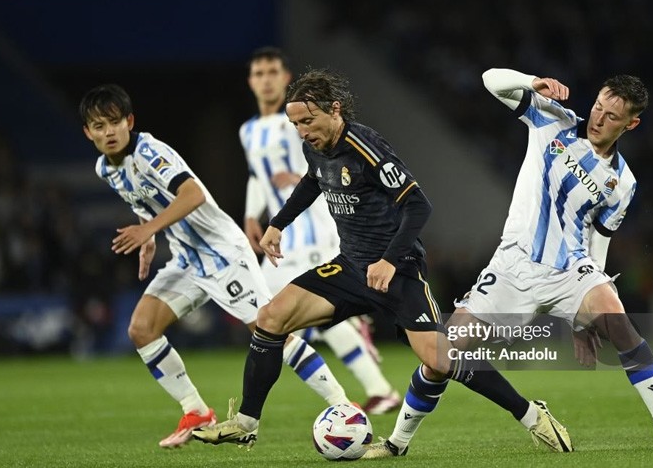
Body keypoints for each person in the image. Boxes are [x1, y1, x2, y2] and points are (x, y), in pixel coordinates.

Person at [192, 68, 571, 454]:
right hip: (350, 268)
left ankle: (530, 415)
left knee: (439, 361)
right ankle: (246, 423)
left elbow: (419, 204)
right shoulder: (316, 147)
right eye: (295, 124)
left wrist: (390, 260)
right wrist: (278, 224)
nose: (302, 132)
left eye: (308, 121)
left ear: (334, 110)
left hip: (399, 271)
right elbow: (313, 181)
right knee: (271, 319)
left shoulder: (365, 147)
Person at [79, 84, 353, 448]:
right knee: (142, 328)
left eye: (114, 122)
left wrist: (149, 228)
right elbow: (147, 201)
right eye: (98, 126)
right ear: (88, 132)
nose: (108, 132)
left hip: (223, 253)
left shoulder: (150, 152)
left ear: (129, 121)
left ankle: (343, 407)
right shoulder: (106, 168)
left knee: (273, 332)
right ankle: (196, 410)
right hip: (187, 259)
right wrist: (149, 236)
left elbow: (190, 194)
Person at [448, 68, 653, 449]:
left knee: (619, 320)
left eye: (612, 116)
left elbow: (599, 242)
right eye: (597, 106)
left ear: (632, 123)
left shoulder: (622, 183)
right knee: (443, 351)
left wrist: (584, 314)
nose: (599, 118)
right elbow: (488, 79)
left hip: (569, 269)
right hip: (514, 265)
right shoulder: (552, 120)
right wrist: (532, 82)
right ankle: (398, 441)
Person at [240, 46, 400, 414]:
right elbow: (255, 174)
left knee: (281, 314)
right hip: (282, 235)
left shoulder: (300, 120)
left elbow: (326, 168)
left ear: (284, 78)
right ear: (251, 81)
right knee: (271, 316)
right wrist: (252, 215)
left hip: (316, 228)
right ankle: (372, 387)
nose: (265, 80)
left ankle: (356, 393)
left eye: (271, 72)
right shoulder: (248, 131)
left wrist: (296, 181)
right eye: (258, 73)